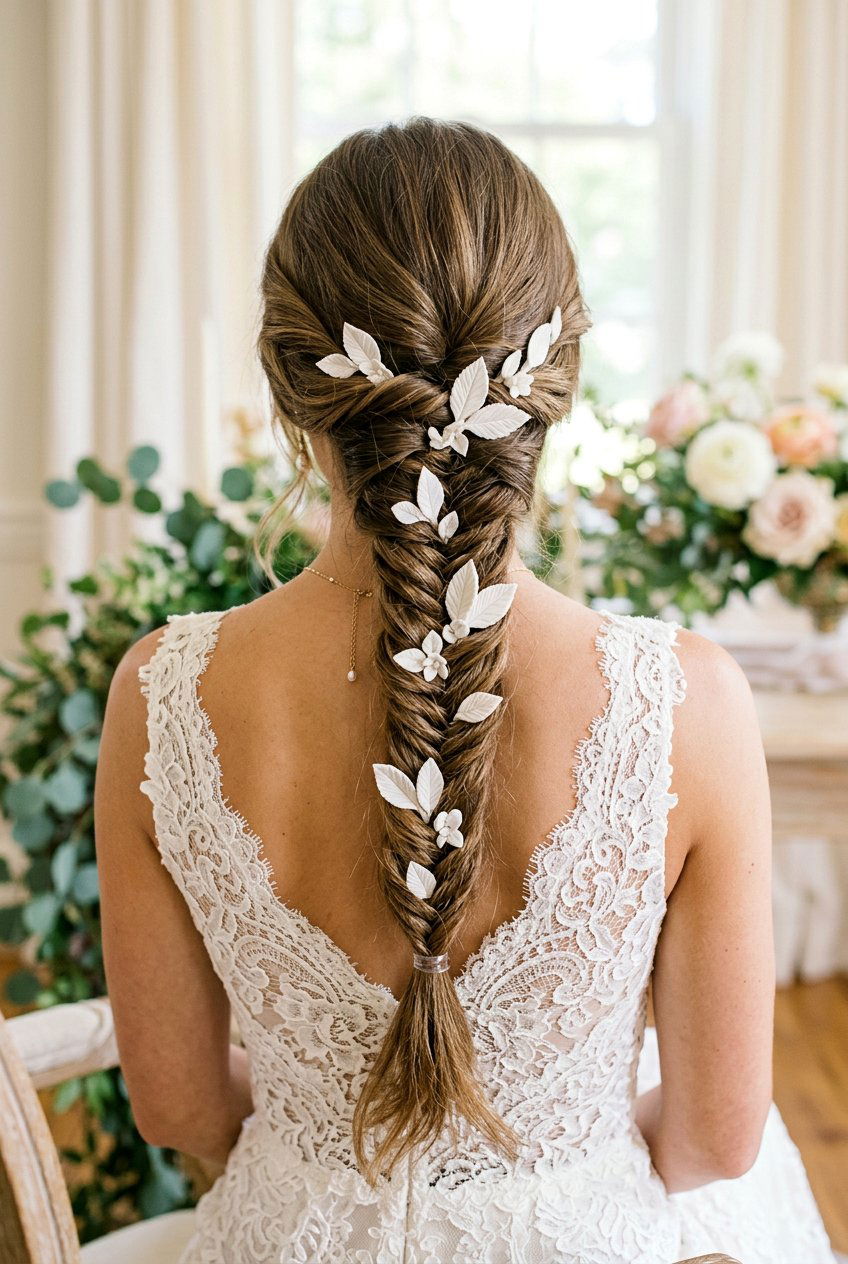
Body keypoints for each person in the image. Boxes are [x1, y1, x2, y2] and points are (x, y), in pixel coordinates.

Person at [95, 118, 835, 1263]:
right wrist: (551, 1163)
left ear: (293, 393)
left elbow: (179, 1111)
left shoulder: (160, 693)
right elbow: (709, 1141)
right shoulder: (689, 704)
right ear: (556, 383)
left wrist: (325, 1159)